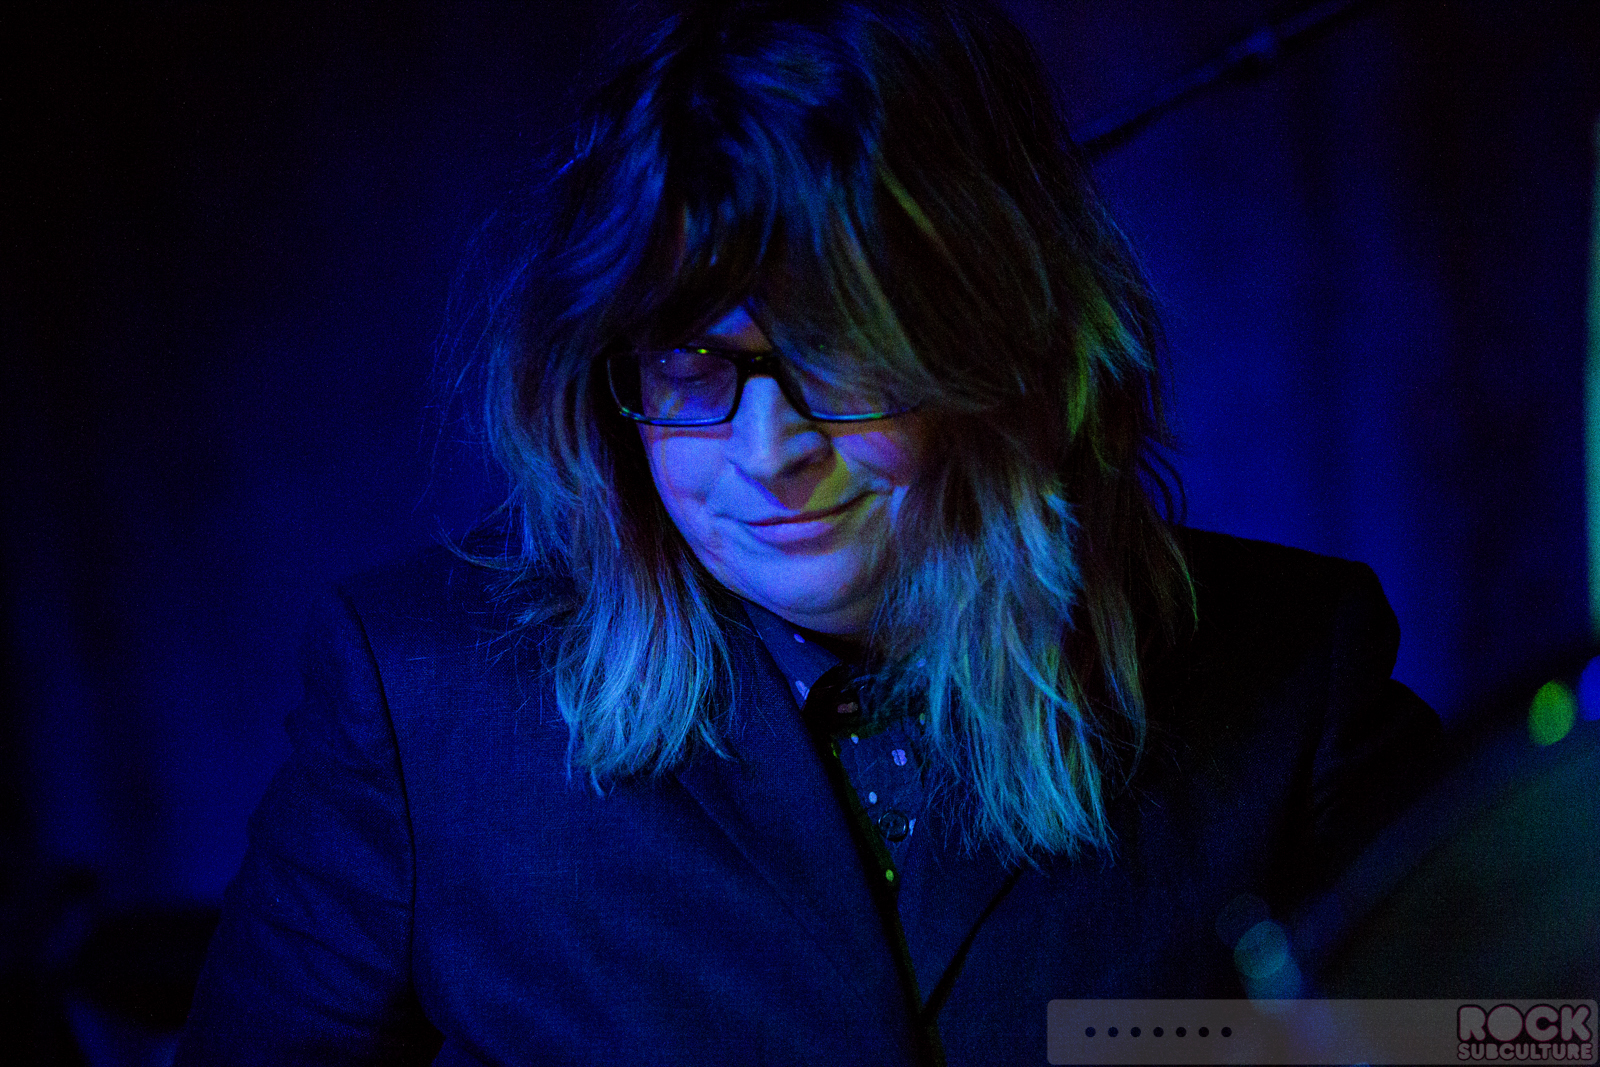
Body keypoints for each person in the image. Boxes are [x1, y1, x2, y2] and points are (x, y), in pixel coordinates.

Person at [176, 1, 1441, 1064]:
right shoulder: (420, 700)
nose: (768, 449)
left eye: (837, 349)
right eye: (690, 362)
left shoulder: (1295, 671)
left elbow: (1484, 1034)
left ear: (1006, 345)